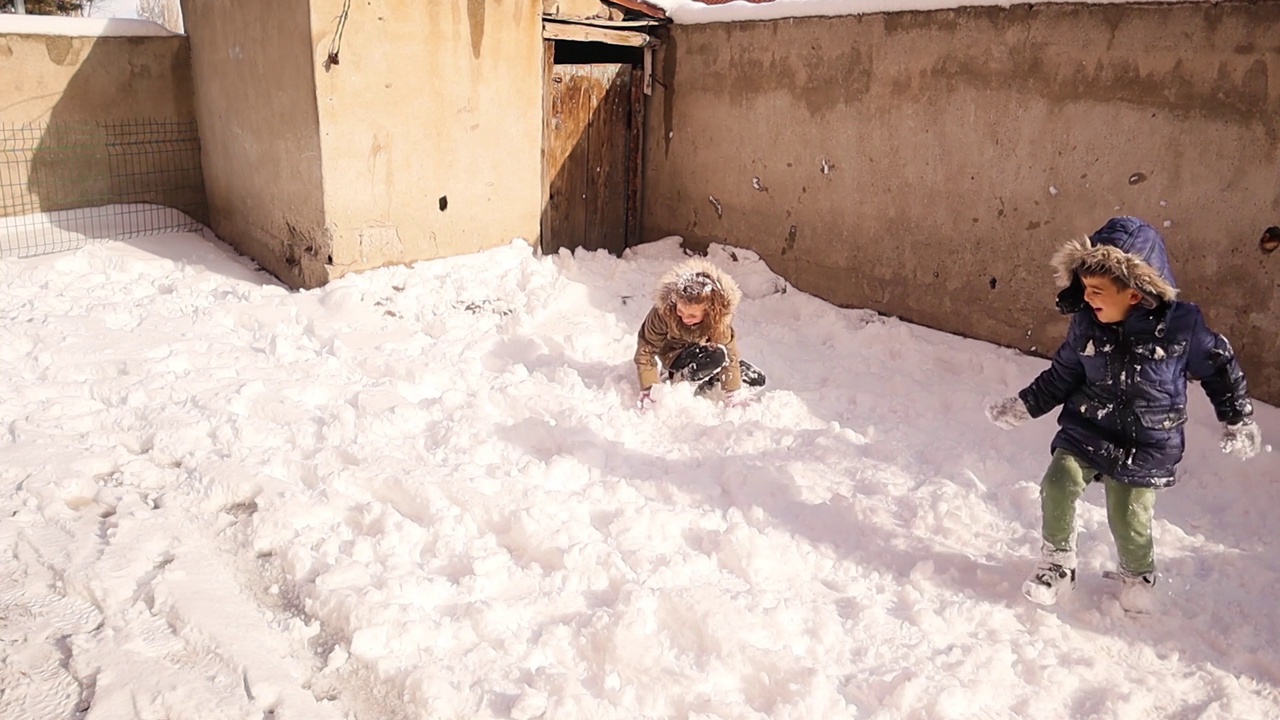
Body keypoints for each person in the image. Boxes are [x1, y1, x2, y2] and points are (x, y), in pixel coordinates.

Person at [986, 216, 1261, 612]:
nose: (1089, 299)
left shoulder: (1182, 328)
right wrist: (1025, 405)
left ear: (1135, 292)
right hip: (1088, 425)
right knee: (1058, 483)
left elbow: (1219, 366)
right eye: (1084, 289)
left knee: (1128, 516)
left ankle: (1137, 576)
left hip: (1147, 440)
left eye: (1097, 291)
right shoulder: (1086, 325)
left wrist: (1237, 418)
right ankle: (1057, 564)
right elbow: (1063, 373)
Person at [634, 258, 765, 408]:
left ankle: (708, 377)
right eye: (680, 311)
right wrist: (649, 387)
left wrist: (733, 392)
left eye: (692, 315)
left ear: (710, 312)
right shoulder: (663, 311)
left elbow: (730, 353)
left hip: (706, 352)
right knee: (717, 356)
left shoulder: (718, 319)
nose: (684, 318)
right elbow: (646, 349)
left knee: (755, 379)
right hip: (676, 355)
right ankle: (681, 379)